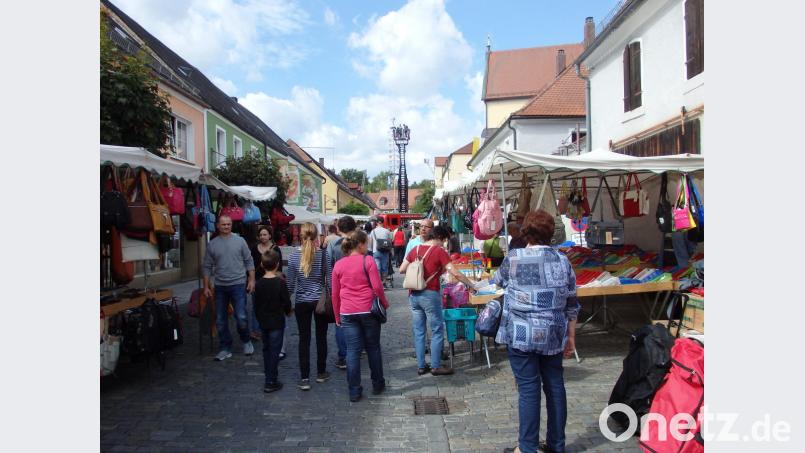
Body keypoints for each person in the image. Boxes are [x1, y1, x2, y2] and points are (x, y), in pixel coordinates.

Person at [493, 210, 580, 453]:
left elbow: (497, 280)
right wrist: (571, 336)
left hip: (522, 333)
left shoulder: (514, 258)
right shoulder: (563, 261)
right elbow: (572, 303)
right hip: (553, 333)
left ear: (526, 232)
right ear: (551, 233)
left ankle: (527, 447)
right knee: (555, 387)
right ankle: (556, 445)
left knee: (529, 390)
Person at [399, 225, 479, 376]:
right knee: (436, 330)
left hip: (414, 294)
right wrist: (471, 284)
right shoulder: (438, 251)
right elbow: (454, 272)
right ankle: (435, 366)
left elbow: (402, 269)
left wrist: (419, 268)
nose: (444, 244)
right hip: (430, 294)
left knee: (419, 331)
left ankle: (421, 366)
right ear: (440, 238)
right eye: (444, 241)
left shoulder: (414, 250)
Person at [331, 230, 390, 402]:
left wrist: (337, 315)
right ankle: (378, 383)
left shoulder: (339, 265)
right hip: (368, 310)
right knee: (373, 348)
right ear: (361, 244)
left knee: (352, 352)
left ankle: (354, 390)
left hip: (348, 312)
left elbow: (335, 294)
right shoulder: (368, 260)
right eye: (367, 243)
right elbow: (378, 287)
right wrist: (384, 303)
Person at [202, 215, 256, 361]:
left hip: (238, 284)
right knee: (220, 320)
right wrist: (206, 286)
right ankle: (225, 347)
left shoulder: (240, 241)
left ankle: (246, 340)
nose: (226, 226)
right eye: (224, 224)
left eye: (229, 224)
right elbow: (207, 266)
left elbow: (249, 260)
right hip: (220, 286)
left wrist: (251, 280)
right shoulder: (212, 244)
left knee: (241, 317)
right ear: (218, 226)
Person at [286, 222, 330, 390]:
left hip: (302, 302)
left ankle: (304, 378)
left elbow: (290, 285)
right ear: (316, 235)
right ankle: (321, 372)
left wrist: (286, 304)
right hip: (319, 300)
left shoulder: (292, 257)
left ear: (301, 236)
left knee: (304, 339)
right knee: (321, 337)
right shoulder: (323, 255)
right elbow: (329, 279)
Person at [253, 250, 292, 393]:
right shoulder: (280, 283)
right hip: (276, 321)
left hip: (264, 321)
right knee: (274, 351)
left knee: (266, 349)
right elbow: (286, 301)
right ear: (277, 265)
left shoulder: (259, 284)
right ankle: (271, 380)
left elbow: (256, 305)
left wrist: (259, 318)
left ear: (262, 265)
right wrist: (288, 312)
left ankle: (268, 375)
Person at [326, 215, 357, 370]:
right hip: (359, 289)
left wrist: (332, 290)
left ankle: (344, 356)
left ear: (338, 229)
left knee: (340, 323)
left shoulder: (333, 244)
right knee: (360, 320)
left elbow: (329, 268)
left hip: (340, 288)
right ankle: (357, 350)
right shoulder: (361, 242)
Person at [249, 226, 283, 343]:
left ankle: (268, 327)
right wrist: (250, 280)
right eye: (261, 235)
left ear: (269, 235)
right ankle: (255, 330)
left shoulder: (275, 249)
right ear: (258, 236)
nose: (263, 237)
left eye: (265, 234)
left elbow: (280, 267)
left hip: (272, 281)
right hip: (258, 281)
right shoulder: (254, 249)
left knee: (270, 305)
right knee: (256, 306)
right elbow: (250, 266)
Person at [368, 219, 393, 289]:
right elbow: (390, 242)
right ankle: (384, 283)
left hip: (376, 251)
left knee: (377, 268)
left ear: (377, 223)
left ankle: (378, 283)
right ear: (383, 222)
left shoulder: (373, 231)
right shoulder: (387, 231)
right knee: (384, 268)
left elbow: (371, 242)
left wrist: (371, 250)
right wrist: (391, 251)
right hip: (385, 251)